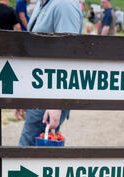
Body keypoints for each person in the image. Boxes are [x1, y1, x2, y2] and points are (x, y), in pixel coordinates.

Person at [15, 0, 83, 146]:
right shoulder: (42, 3)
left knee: (29, 148)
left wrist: (56, 103)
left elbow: (69, 53)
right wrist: (22, 93)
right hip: (37, 89)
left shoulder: (64, 4)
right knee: (34, 150)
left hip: (50, 92)